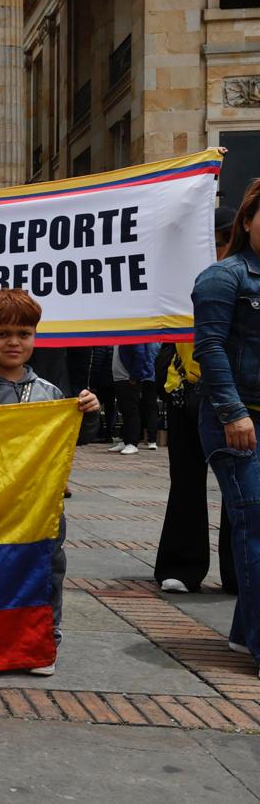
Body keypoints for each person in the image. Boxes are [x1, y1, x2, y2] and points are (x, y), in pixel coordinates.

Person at [0, 288, 100, 676]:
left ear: (35, 336)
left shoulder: (50, 394)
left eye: (23, 333)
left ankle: (43, 641)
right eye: (2, 334)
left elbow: (70, 440)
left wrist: (88, 412)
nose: (14, 342)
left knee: (47, 568)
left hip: (41, 505)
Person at [192, 178, 260, 670]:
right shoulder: (224, 277)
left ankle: (243, 633)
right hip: (236, 419)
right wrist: (233, 412)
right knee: (255, 526)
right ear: (248, 220)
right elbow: (210, 348)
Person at [155, 206, 238, 595]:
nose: (216, 251)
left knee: (239, 485)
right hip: (184, 388)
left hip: (235, 395)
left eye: (222, 243)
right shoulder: (188, 279)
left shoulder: (243, 280)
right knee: (185, 480)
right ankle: (182, 566)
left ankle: (239, 570)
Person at [109, 343, 160, 455]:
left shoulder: (132, 334)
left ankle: (132, 442)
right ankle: (126, 440)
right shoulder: (120, 336)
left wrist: (134, 376)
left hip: (127, 378)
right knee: (124, 410)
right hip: (120, 378)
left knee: (131, 410)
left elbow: (140, 354)